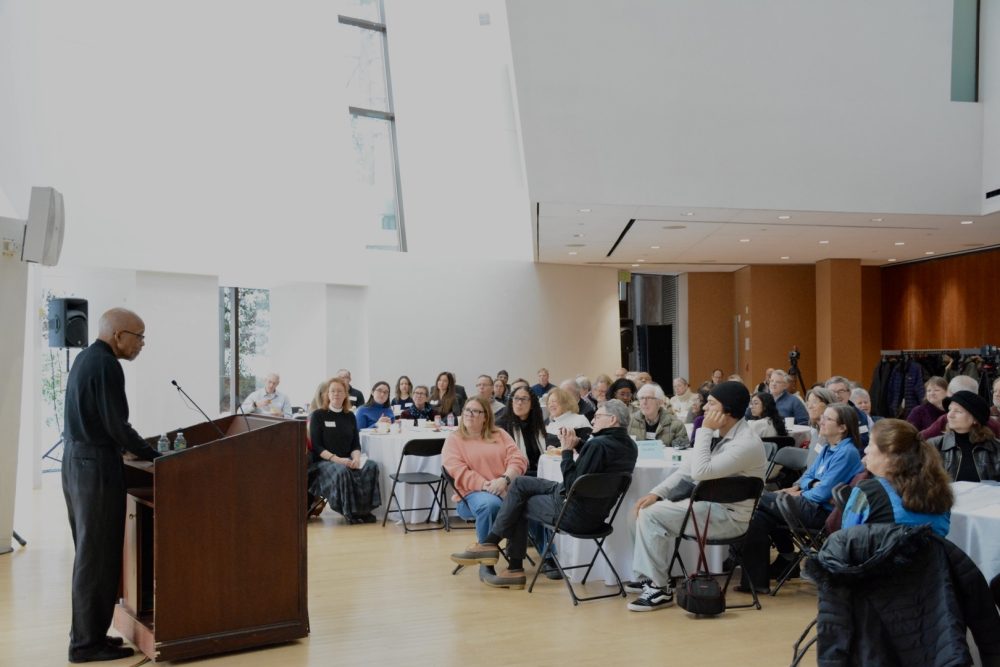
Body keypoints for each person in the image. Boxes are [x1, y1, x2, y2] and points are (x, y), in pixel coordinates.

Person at [449, 400, 638, 590]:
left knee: (519, 500)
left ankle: (508, 562)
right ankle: (494, 548)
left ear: (612, 419)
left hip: (571, 512)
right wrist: (578, 444)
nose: (593, 420)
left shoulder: (597, 445)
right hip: (597, 516)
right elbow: (595, 465)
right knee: (520, 483)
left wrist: (566, 452)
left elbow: (573, 483)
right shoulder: (629, 446)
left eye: (598, 416)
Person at [62, 308, 160, 663]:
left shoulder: (86, 358)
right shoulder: (106, 364)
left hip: (77, 462)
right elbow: (117, 425)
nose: (142, 344)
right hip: (95, 468)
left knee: (92, 555)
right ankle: (85, 645)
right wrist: (154, 456)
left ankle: (90, 636)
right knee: (96, 558)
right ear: (119, 335)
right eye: (140, 336)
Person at [626, 382, 766, 610]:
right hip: (710, 509)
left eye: (711, 404)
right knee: (641, 508)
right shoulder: (722, 434)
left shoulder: (746, 443)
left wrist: (704, 430)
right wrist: (656, 493)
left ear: (726, 410)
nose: (704, 409)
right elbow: (687, 470)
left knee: (651, 515)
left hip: (730, 518)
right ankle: (652, 577)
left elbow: (700, 472)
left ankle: (659, 589)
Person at [740, 404, 864, 593]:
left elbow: (822, 494)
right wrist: (808, 485)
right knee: (759, 517)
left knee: (756, 497)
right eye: (823, 417)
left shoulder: (847, 453)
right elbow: (807, 476)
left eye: (828, 419)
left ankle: (784, 559)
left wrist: (800, 491)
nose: (821, 421)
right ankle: (758, 581)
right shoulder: (827, 448)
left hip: (822, 512)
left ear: (842, 427)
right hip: (811, 504)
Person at [442, 397, 528, 578]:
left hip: (504, 488)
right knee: (491, 505)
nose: (469, 414)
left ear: (485, 416)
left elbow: (518, 459)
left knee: (531, 503)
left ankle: (544, 558)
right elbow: (458, 470)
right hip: (471, 495)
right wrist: (487, 485)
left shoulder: (500, 434)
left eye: (475, 411)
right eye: (467, 410)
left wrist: (504, 479)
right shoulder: (454, 439)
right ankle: (486, 563)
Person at [841, 419, 953, 537]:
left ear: (889, 453)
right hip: (932, 555)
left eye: (870, 444)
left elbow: (846, 539)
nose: (865, 450)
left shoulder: (868, 492)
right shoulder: (941, 491)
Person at [308, 377, 381, 524]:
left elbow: (355, 444)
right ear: (327, 394)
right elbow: (317, 447)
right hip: (324, 462)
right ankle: (350, 511)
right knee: (343, 471)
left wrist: (356, 458)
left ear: (345, 395)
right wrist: (339, 460)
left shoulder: (350, 416)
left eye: (340, 391)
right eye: (333, 391)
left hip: (348, 459)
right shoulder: (318, 415)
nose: (336, 394)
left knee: (371, 466)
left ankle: (365, 510)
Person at [927, 390, 1000, 482]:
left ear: (975, 419)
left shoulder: (996, 449)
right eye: (949, 410)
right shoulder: (934, 446)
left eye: (958, 411)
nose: (950, 415)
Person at [920, 375, 1000, 439]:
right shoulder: (991, 421)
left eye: (958, 411)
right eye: (995, 390)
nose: (950, 415)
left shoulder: (945, 420)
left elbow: (921, 437)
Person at [495, 385, 551, 475]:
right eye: (516, 398)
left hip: (538, 471)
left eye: (524, 399)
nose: (519, 403)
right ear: (511, 401)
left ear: (532, 404)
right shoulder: (501, 425)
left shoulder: (536, 424)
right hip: (514, 474)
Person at [628, 383, 688, 448]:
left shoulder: (676, 425)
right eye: (642, 398)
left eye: (649, 398)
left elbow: (683, 450)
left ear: (660, 402)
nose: (644, 402)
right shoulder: (629, 421)